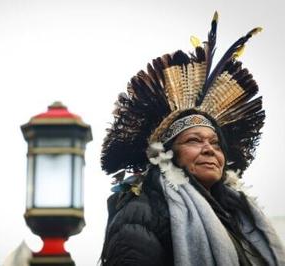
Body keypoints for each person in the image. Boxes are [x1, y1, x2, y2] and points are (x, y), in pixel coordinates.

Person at [100, 12, 285, 266]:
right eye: (194, 141)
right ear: (166, 155)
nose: (210, 150)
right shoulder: (141, 212)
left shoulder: (236, 215)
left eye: (215, 143)